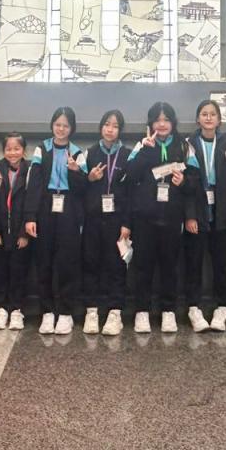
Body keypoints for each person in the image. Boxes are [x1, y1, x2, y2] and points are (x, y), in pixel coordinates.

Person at [122, 102, 202, 334]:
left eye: (166, 119)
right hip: (144, 217)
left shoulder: (185, 146)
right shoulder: (142, 144)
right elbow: (128, 177)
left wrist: (184, 182)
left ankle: (168, 311)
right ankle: (142, 312)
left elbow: (196, 181)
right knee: (143, 266)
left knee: (170, 266)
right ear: (151, 123)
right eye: (157, 120)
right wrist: (145, 151)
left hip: (172, 217)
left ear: (173, 122)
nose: (162, 124)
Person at [25, 107, 89, 335]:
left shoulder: (78, 153)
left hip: (69, 208)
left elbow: (83, 189)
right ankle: (47, 311)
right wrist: (30, 216)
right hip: (45, 206)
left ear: (72, 128)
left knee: (67, 261)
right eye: (57, 124)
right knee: (44, 261)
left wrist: (75, 172)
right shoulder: (42, 149)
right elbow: (33, 185)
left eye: (66, 125)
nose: (61, 129)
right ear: (52, 125)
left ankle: (65, 312)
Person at [184, 99, 226, 333]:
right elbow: (186, 184)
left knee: (221, 263)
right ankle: (193, 308)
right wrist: (189, 216)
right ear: (198, 119)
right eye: (204, 114)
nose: (208, 118)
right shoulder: (188, 144)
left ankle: (221, 308)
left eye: (212, 114)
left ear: (219, 119)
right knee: (194, 261)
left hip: (221, 210)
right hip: (197, 208)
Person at [82, 110, 131, 336]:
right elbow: (78, 188)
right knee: (90, 263)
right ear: (101, 127)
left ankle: (115, 312)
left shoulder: (127, 155)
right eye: (107, 124)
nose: (110, 129)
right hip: (93, 219)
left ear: (120, 130)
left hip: (117, 220)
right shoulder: (89, 153)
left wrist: (126, 222)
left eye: (115, 126)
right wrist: (89, 178)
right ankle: (91, 311)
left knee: (117, 265)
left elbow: (132, 192)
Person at [0, 133, 31, 332]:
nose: (13, 153)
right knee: (0, 271)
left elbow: (32, 203)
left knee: (19, 271)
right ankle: (1, 309)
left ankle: (16, 309)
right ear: (3, 151)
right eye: (8, 149)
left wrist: (24, 234)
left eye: (17, 149)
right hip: (1, 232)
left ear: (24, 151)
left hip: (20, 233)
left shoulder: (30, 170)